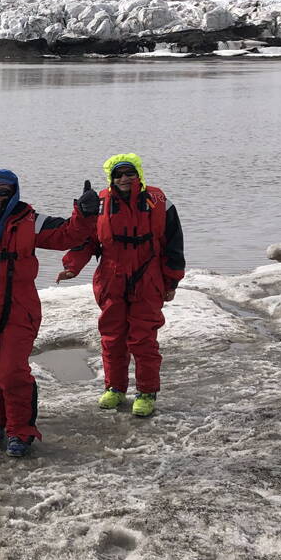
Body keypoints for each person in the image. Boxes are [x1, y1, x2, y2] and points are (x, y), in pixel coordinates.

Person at [0, 171, 99, 457]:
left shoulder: (32, 221)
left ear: (13, 193)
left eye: (3, 192)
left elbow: (68, 234)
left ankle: (21, 432)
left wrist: (85, 213)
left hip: (20, 306)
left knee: (11, 370)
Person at [57, 153, 185, 418]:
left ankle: (147, 392)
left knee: (143, 339)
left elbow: (174, 243)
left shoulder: (159, 201)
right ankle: (115, 388)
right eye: (118, 174)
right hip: (111, 277)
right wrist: (72, 266)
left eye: (129, 173)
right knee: (112, 338)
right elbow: (86, 241)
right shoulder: (100, 203)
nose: (124, 178)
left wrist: (172, 280)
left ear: (138, 174)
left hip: (148, 277)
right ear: (111, 178)